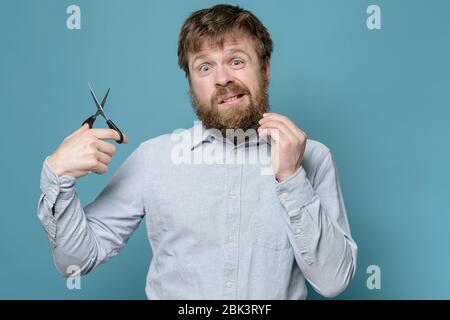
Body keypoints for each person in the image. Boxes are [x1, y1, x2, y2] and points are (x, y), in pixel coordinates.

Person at [38, 4, 357, 299]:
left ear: (265, 69)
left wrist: (291, 178)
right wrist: (58, 177)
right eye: (205, 68)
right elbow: (76, 262)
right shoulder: (154, 160)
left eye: (236, 61)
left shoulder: (313, 157)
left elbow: (333, 281)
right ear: (191, 84)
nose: (222, 79)